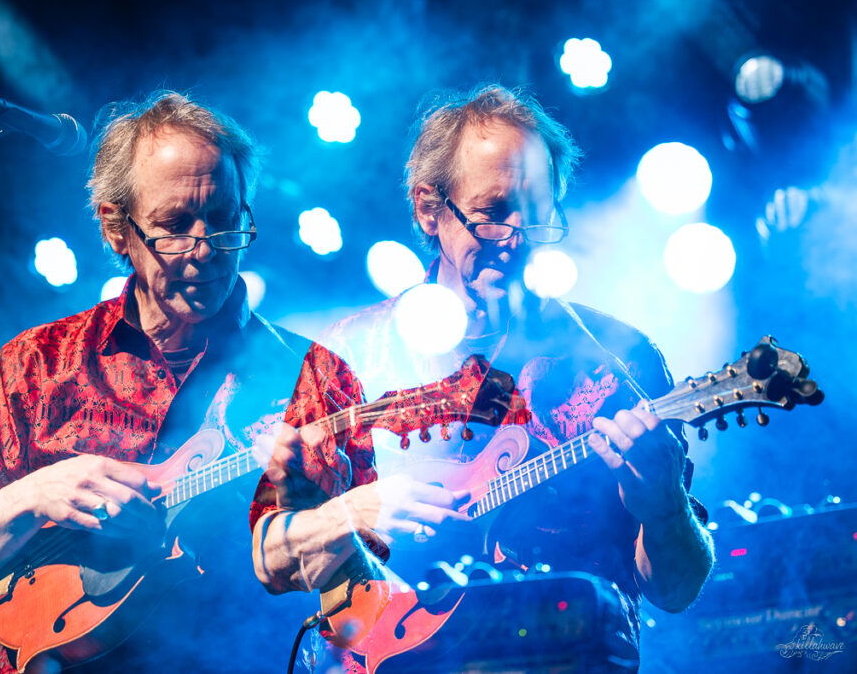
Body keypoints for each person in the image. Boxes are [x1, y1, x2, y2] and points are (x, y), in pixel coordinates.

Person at [250, 85, 715, 672]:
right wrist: (353, 513)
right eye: (493, 213)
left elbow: (676, 590)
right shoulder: (351, 353)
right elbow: (270, 560)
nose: (517, 240)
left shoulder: (614, 357)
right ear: (428, 208)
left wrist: (665, 506)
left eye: (537, 214)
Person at [0, 91, 322, 672]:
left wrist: (310, 513)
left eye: (225, 220)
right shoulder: (37, 362)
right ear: (115, 228)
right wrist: (36, 494)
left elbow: (367, 591)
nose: (205, 249)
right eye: (175, 226)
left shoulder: (312, 375)